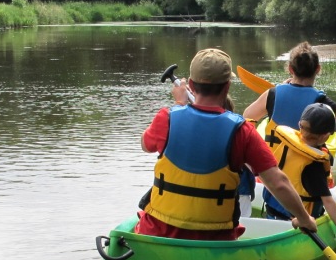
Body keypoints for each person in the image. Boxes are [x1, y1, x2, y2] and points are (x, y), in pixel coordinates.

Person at [135, 48, 317, 239]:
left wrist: (179, 105)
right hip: (214, 238)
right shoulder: (242, 131)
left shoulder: (166, 117)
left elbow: (145, 145)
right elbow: (278, 182)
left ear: (190, 84)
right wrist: (304, 218)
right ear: (227, 86)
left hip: (157, 234)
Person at [242, 41, 336, 158]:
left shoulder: (272, 94)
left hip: (272, 170)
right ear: (318, 69)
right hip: (304, 173)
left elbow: (246, 118)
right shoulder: (324, 103)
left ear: (290, 69)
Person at [262, 103, 336, 253]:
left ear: (301, 126)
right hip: (302, 226)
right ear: (325, 136)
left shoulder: (287, 143)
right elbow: (328, 201)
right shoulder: (314, 165)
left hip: (273, 213)